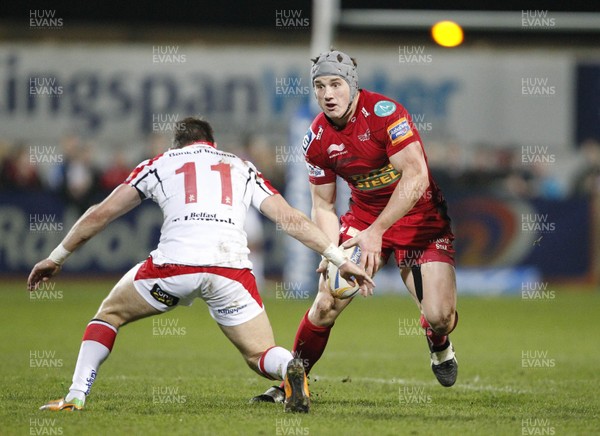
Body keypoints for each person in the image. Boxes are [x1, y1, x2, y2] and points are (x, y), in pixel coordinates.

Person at [27, 117, 374, 414]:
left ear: (178, 144)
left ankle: (75, 396)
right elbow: (289, 218)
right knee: (259, 354)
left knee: (108, 316)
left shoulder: (161, 162)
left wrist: (56, 257)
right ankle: (288, 367)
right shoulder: (241, 165)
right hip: (230, 272)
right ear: (213, 143)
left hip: (173, 268)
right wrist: (339, 257)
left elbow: (100, 214)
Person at [252, 50, 459, 404]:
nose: (328, 94)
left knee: (440, 317)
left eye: (335, 84)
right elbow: (323, 205)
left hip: (420, 220)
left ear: (352, 85)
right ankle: (292, 380)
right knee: (326, 303)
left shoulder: (386, 115)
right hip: (363, 222)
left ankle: (437, 340)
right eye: (319, 86)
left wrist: (379, 230)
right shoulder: (316, 139)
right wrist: (332, 251)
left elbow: (417, 177)